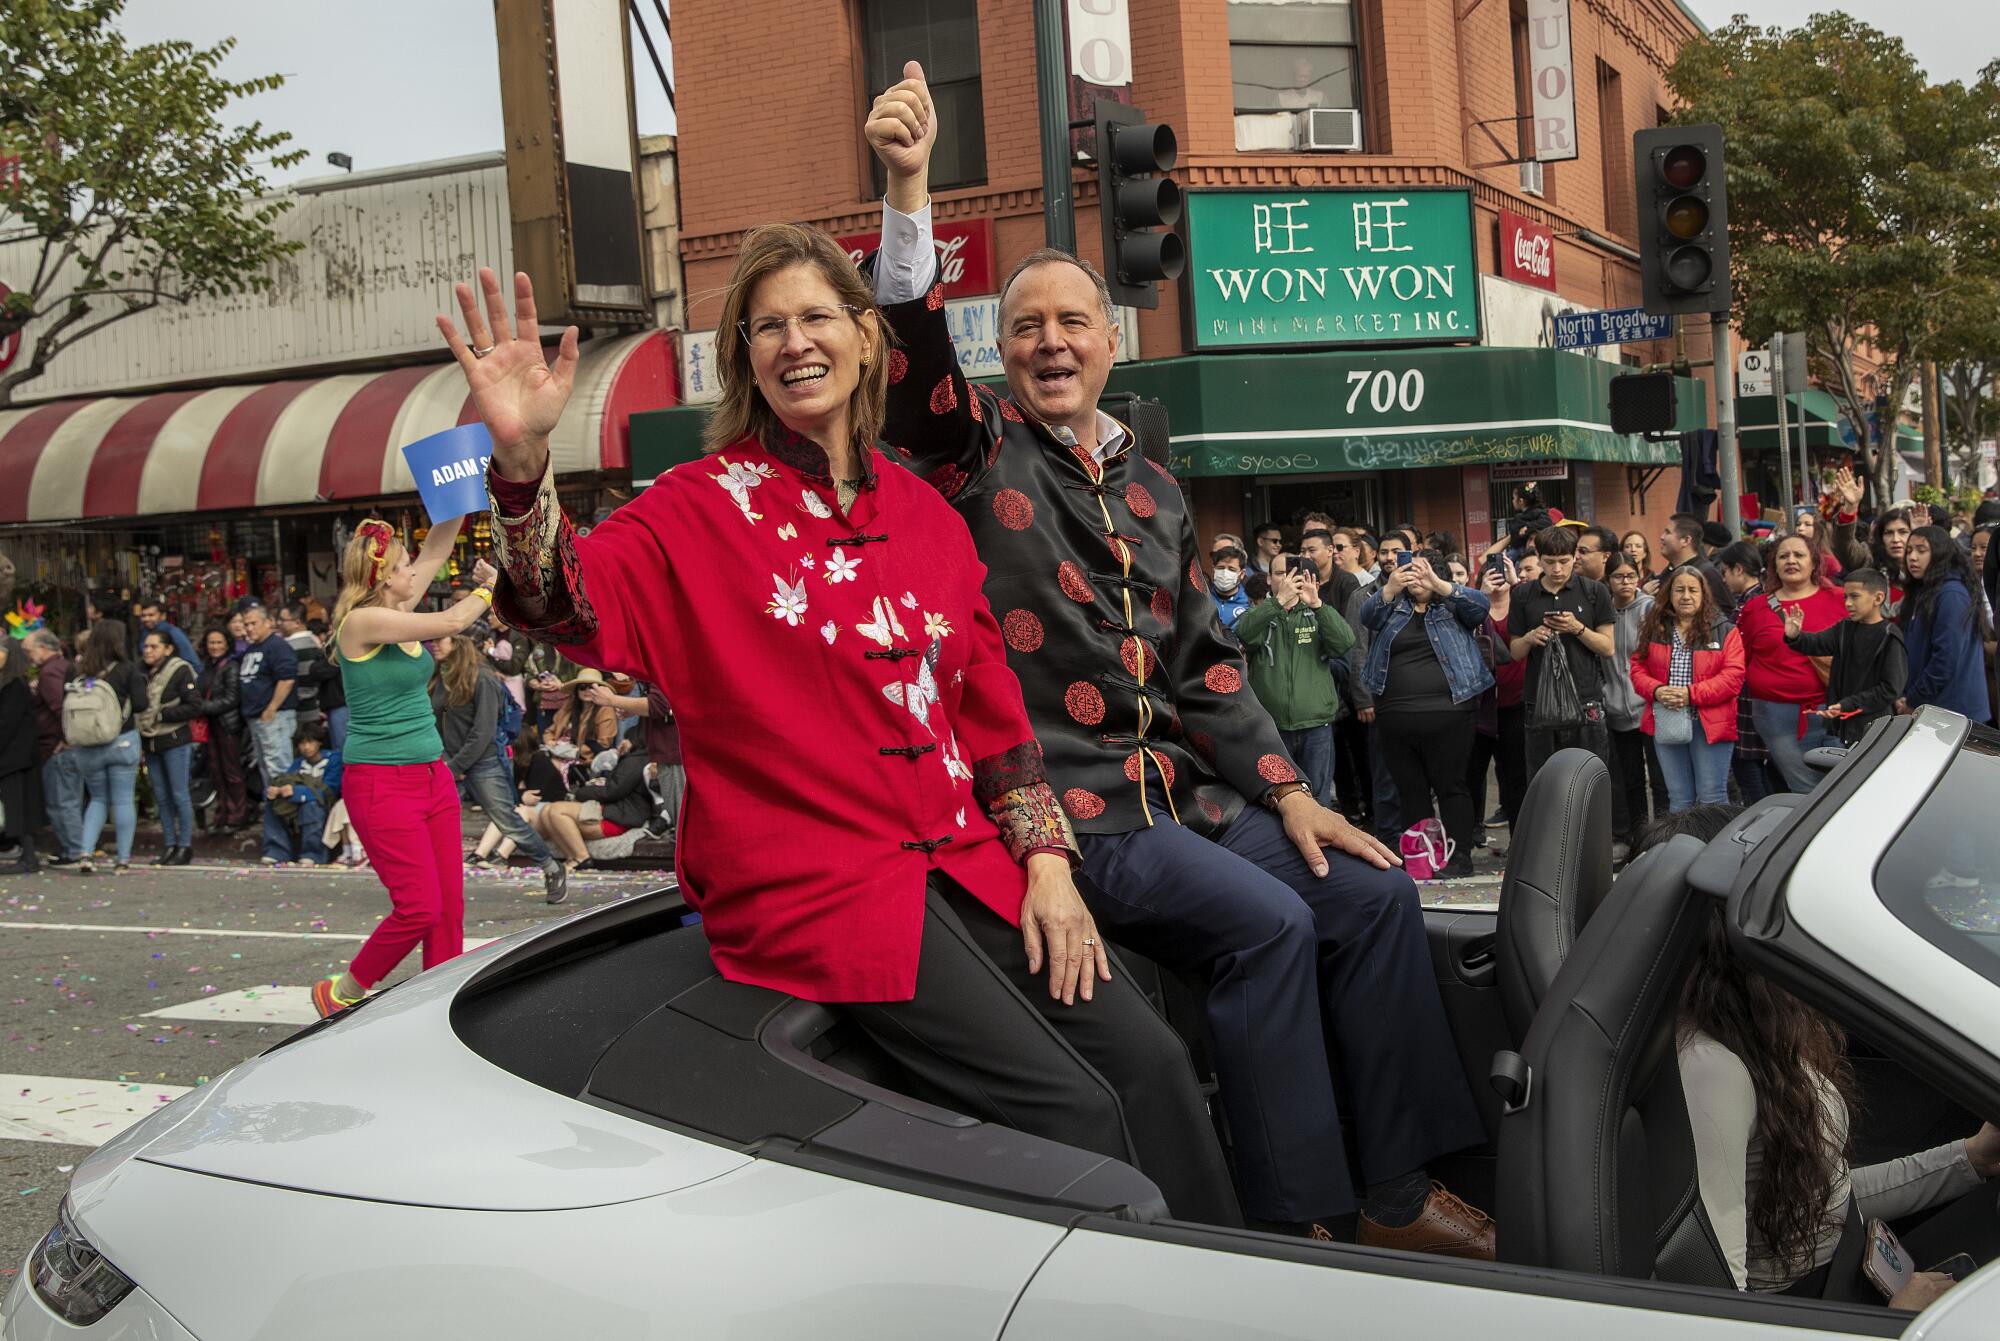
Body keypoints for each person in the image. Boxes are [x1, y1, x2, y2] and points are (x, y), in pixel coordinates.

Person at [443, 229, 1241, 1226]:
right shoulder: (693, 507)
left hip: (966, 861)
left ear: (865, 338)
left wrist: (1044, 863)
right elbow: (564, 604)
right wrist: (520, 472)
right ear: (743, 356)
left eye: (815, 316)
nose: (792, 341)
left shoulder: (925, 512)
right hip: (821, 884)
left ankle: (1233, 1281)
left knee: (1156, 1062)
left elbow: (988, 704)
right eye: (764, 325)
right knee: (1071, 1106)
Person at [865, 62, 1488, 1249]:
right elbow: (909, 365)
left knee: (1370, 894)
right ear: (1000, 351)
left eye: (1071, 325)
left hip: (1196, 804)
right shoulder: (971, 451)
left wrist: (1295, 794)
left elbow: (1208, 666)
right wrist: (909, 189)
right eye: (1025, 326)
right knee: (1268, 929)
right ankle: (1290, 1223)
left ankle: (1398, 1193)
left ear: (1112, 341)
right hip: (1083, 819)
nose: (1050, 343)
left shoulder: (1152, 486)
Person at [1659, 804, 2000, 1301]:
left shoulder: (1756, 1030)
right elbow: (1716, 1304)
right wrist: (1889, 1325)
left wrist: (1968, 1158)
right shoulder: (1712, 1069)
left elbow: (1824, 1203)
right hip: (1814, 1311)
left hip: (1849, 1267)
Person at [308, 515, 495, 1019]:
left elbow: (437, 547)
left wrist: (456, 504)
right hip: (380, 783)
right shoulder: (363, 622)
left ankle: (438, 1009)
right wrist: (492, 589)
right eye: (404, 564)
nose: (415, 569)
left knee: (448, 912)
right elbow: (454, 622)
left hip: (431, 775)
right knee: (419, 907)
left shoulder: (400, 606)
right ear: (384, 575)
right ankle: (343, 989)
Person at [1357, 550, 1491, 877]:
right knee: (1410, 790)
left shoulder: (1454, 607)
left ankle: (1459, 858)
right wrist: (1389, 589)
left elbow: (1481, 606)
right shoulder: (1392, 609)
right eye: (1410, 573)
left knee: (1451, 786)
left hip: (1450, 715)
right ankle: (1419, 857)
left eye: (1422, 573)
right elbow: (1366, 616)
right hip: (1394, 717)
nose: (1416, 580)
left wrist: (1440, 585)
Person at [431, 633, 567, 901]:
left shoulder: (483, 678)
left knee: (507, 821)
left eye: (439, 640)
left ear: (459, 641)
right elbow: (436, 722)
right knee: (436, 820)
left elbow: (483, 732)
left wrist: (455, 765)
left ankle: (551, 867)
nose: (433, 644)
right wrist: (447, 761)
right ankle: (435, 881)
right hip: (450, 762)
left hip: (482, 762)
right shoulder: (442, 677)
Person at [1234, 554, 1353, 808]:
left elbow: (1344, 643)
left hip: (1315, 725)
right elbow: (1243, 634)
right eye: (1280, 573)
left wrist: (1317, 605)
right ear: (1268, 579)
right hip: (1272, 726)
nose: (1288, 579)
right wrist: (1277, 602)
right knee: (1279, 799)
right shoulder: (1262, 613)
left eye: (1294, 574)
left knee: (1318, 799)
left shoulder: (1317, 612)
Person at [1735, 534, 1845, 794]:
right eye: (1783, 556)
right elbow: (1744, 657)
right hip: (1777, 717)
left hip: (1838, 710)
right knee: (1805, 789)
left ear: (1814, 562)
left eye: (1799, 555)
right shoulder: (1756, 608)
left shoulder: (1840, 599)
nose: (1791, 561)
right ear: (1773, 565)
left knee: (1844, 786)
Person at [1629, 569, 1744, 811]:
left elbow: (1733, 677)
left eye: (1693, 590)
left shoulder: (1724, 629)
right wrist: (1657, 690)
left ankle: (1714, 849)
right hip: (1667, 720)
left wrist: (1690, 694)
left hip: (1710, 724)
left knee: (1712, 796)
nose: (1686, 596)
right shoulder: (1655, 627)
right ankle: (1685, 848)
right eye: (1679, 589)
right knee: (1679, 799)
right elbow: (1637, 668)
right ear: (1669, 594)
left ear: (1704, 595)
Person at [1508, 525, 1615, 776]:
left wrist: (1577, 628)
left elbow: (1608, 647)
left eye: (1564, 562)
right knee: (1543, 780)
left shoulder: (1594, 591)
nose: (1557, 569)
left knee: (1590, 778)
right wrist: (1531, 637)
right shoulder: (1523, 594)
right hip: (1539, 701)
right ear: (1539, 559)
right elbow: (1515, 651)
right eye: (1550, 562)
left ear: (1574, 557)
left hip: (1586, 699)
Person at [1781, 568, 1907, 746]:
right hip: (1845, 724)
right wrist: (1795, 636)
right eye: (1846, 597)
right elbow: (1817, 643)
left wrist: (1849, 704)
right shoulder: (1845, 628)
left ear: (1878, 598)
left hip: (1875, 729)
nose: (1848, 603)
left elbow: (1890, 688)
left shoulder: (1889, 636)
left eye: (1854, 596)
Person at [66, 620, 148, 875]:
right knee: (123, 800)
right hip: (121, 741)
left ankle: (86, 853)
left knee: (98, 799)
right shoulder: (127, 669)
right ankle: (122, 859)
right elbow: (141, 704)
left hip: (87, 745)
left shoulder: (78, 670)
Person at [1898, 525, 1991, 721]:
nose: (1912, 557)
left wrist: (1913, 699)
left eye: (1921, 551)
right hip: (1932, 709)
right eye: (1909, 551)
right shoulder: (1923, 591)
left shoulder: (1951, 595)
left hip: (1953, 713)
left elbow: (1945, 659)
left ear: (1940, 554)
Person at [1465, 556, 1526, 848]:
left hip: (1517, 702)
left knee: (1515, 774)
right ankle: (1473, 828)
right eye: (1490, 572)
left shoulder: (1522, 601)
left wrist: (1516, 583)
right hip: (1481, 704)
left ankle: (1520, 836)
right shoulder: (1475, 604)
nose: (1498, 577)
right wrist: (1483, 596)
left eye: (1503, 571)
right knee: (1473, 773)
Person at [1602, 552, 1657, 851]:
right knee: (1630, 779)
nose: (1625, 582)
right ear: (1608, 580)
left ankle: (1660, 836)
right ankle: (1637, 839)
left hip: (1648, 705)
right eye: (1618, 576)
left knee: (1659, 780)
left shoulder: (1649, 609)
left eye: (1631, 576)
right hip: (1615, 708)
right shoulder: (1603, 611)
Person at [135, 629, 200, 866]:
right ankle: (169, 844)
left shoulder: (180, 671)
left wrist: (162, 714)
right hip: (151, 741)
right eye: (146, 646)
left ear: (168, 649)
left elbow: (194, 706)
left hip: (174, 739)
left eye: (154, 647)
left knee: (179, 794)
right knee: (161, 797)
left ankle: (185, 846)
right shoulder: (140, 671)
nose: (148, 651)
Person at [22, 629, 83, 867]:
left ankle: (74, 849)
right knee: (69, 798)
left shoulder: (49, 673)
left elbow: (61, 707)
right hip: (63, 743)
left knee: (61, 800)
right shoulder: (63, 667)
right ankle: (75, 846)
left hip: (56, 745)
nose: (29, 656)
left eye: (29, 651)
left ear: (43, 648)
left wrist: (66, 737)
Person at [193, 626, 253, 831]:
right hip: (211, 725)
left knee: (232, 771)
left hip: (228, 725)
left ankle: (238, 814)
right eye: (211, 642)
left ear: (227, 644)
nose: (215, 646)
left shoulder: (231, 666)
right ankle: (223, 813)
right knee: (216, 771)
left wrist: (201, 707)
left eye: (219, 642)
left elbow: (231, 699)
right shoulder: (208, 666)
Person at [261, 722, 342, 866]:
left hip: (323, 804)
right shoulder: (299, 763)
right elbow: (286, 779)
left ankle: (313, 854)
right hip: (298, 804)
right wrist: (275, 791)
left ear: (319, 742)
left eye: (310, 742)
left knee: (311, 805)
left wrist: (297, 792)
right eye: (302, 743)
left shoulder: (333, 759)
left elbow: (330, 790)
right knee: (273, 804)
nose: (306, 747)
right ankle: (276, 851)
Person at [236, 604, 298, 788]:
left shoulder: (277, 646)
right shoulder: (251, 649)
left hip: (274, 717)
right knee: (266, 770)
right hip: (256, 717)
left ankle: (286, 813)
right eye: (246, 624)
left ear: (268, 622)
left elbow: (287, 679)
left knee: (278, 769)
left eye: (253, 623)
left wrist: (272, 708)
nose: (249, 628)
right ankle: (274, 813)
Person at [0, 639, 40, 873]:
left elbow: (7, 723)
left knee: (20, 806)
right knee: (15, 806)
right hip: (12, 756)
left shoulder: (15, 685)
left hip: (16, 758)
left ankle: (28, 855)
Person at [545, 668, 619, 751]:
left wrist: (575, 752)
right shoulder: (569, 706)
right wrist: (550, 741)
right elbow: (550, 731)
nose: (587, 691)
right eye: (582, 687)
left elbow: (603, 744)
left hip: (584, 758)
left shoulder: (605, 710)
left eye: (592, 687)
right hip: (558, 751)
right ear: (577, 690)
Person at [136, 600, 197, 667]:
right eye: (143, 616)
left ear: (163, 616)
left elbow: (191, 661)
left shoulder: (173, 632)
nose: (146, 619)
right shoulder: (145, 632)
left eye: (151, 615)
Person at [1208, 545, 1252, 631]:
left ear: (1242, 574)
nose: (1225, 573)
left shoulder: (1250, 602)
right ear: (1213, 569)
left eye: (1231, 569)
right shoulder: (1203, 597)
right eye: (1220, 568)